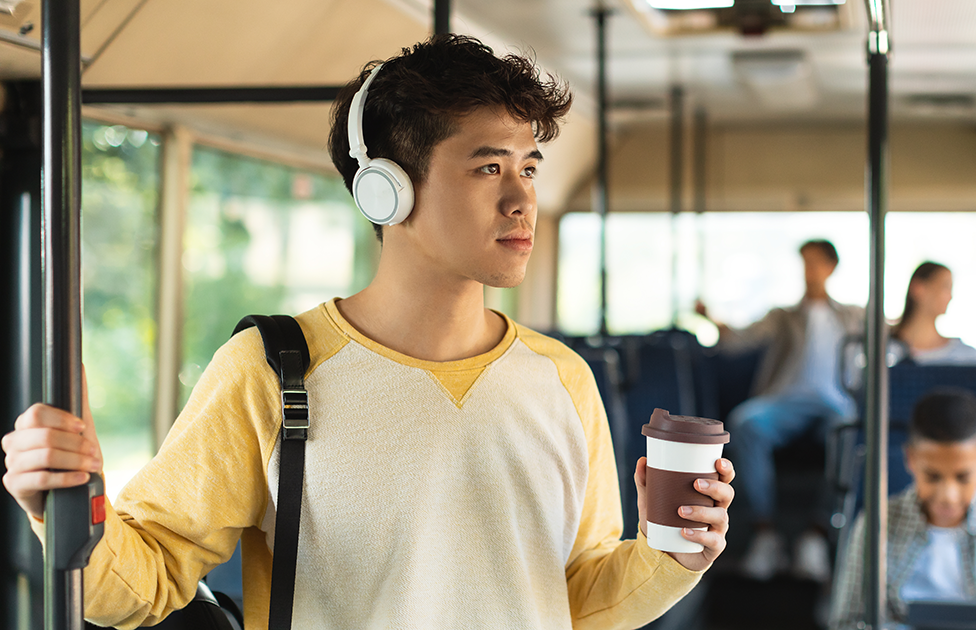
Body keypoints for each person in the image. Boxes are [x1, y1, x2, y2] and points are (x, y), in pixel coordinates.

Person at [1, 35, 736, 629]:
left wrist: (674, 555)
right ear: (386, 189)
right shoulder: (272, 369)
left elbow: (577, 600)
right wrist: (63, 504)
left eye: (530, 168)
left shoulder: (562, 378)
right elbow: (143, 583)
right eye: (488, 167)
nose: (521, 200)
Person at [695, 239, 862, 581]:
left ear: (831, 268)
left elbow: (896, 334)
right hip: (785, 400)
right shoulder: (783, 316)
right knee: (745, 423)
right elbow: (738, 338)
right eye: (805, 263)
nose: (809, 271)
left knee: (849, 429)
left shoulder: (852, 316)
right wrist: (710, 318)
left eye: (816, 263)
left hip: (834, 404)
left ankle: (816, 534)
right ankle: (764, 531)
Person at [829, 389, 976, 630]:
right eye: (932, 477)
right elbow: (844, 622)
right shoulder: (876, 527)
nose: (948, 496)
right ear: (910, 459)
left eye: (963, 478)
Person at [891, 262, 976, 365]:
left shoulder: (967, 357)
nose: (950, 297)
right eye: (945, 287)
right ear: (918, 288)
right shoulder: (886, 351)